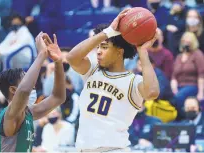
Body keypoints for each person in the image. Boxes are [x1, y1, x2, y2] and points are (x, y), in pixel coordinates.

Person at [66, 9, 160, 151]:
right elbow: (71, 57)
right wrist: (107, 32)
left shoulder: (133, 82)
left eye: (104, 47)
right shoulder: (92, 70)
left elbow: (152, 92)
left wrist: (143, 52)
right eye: (97, 47)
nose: (98, 51)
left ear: (119, 51)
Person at [0, 32, 66, 152]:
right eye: (28, 81)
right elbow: (24, 90)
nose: (33, 86)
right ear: (13, 90)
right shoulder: (11, 113)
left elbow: (58, 97)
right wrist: (41, 55)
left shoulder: (29, 112)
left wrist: (58, 62)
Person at [171, 32, 204, 120]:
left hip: (192, 85)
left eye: (188, 42)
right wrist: (174, 89)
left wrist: (201, 92)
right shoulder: (179, 57)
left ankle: (184, 119)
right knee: (170, 97)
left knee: (179, 97)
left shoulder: (197, 54)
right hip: (179, 86)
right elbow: (174, 76)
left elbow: (201, 74)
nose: (186, 43)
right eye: (184, 41)